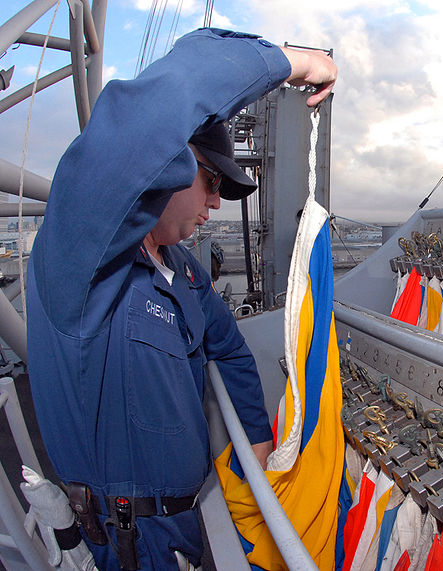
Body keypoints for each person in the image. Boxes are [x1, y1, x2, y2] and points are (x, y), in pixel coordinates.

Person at [26, 28, 336, 570]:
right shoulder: (80, 261)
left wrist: (257, 448)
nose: (216, 204)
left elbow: (232, 351)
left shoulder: (183, 273)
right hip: (120, 545)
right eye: (213, 182)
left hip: (179, 534)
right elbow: (150, 112)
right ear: (172, 161)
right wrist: (292, 63)